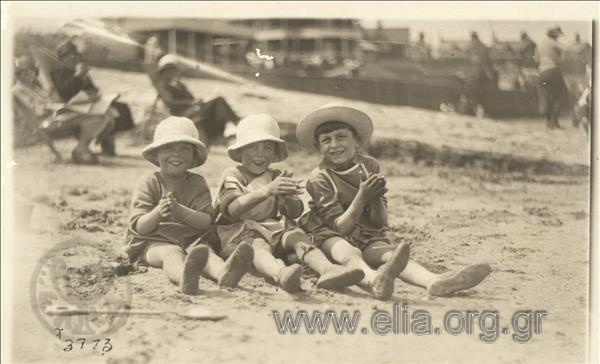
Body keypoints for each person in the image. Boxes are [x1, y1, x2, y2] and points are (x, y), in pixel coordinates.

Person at [297, 103, 492, 298]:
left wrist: (374, 199)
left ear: (357, 141)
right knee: (349, 253)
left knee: (388, 254)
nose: (334, 145)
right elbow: (340, 227)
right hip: (330, 233)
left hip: (365, 232)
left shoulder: (369, 166)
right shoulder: (320, 177)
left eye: (341, 137)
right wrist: (363, 196)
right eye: (326, 140)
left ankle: (432, 280)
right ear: (318, 147)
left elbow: (379, 222)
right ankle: (373, 281)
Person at [214, 114, 366, 293]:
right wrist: (267, 191)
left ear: (275, 153)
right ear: (240, 152)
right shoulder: (233, 174)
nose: (260, 154)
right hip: (238, 233)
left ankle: (327, 270)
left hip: (271, 229)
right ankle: (280, 273)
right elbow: (232, 210)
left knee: (296, 235)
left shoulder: (275, 175)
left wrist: (287, 199)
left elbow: (294, 213)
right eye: (252, 148)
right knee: (258, 245)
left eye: (267, 148)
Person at [125, 116, 253, 295]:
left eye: (184, 149)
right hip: (154, 242)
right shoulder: (149, 181)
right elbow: (140, 227)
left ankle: (224, 273)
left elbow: (205, 222)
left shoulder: (197, 182)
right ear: (156, 155)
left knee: (206, 252)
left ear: (193, 157)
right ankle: (183, 277)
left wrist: (180, 210)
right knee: (171, 253)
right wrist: (158, 212)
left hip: (192, 239)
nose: (176, 154)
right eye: (168, 148)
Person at [12, 54, 115, 164]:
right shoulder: (17, 91)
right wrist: (58, 107)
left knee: (105, 114)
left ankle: (82, 148)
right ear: (18, 74)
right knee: (97, 118)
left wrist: (72, 104)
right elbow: (37, 112)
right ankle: (81, 149)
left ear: (35, 72)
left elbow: (51, 103)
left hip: (55, 117)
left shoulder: (36, 88)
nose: (29, 74)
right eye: (24, 72)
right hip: (44, 123)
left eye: (31, 71)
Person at [51, 39, 135, 155]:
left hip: (88, 102)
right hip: (73, 105)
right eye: (69, 57)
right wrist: (77, 76)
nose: (73, 59)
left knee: (121, 107)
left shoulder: (80, 71)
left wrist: (88, 85)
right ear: (62, 59)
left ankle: (107, 139)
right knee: (109, 112)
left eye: (75, 56)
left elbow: (93, 89)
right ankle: (105, 140)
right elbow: (65, 92)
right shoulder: (58, 72)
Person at [155, 54, 239, 145]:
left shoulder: (179, 85)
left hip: (192, 109)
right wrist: (191, 103)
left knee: (218, 102)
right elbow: (171, 103)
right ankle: (229, 125)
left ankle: (229, 125)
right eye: (170, 70)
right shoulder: (164, 86)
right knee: (219, 101)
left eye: (174, 70)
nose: (174, 73)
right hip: (182, 113)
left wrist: (196, 101)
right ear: (164, 72)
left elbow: (192, 98)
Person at [536, 26, 569, 129]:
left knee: (547, 97)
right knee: (561, 95)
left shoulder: (540, 45)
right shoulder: (554, 43)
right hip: (553, 71)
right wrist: (561, 57)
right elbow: (566, 50)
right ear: (555, 36)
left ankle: (548, 122)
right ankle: (554, 122)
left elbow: (536, 59)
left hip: (542, 72)